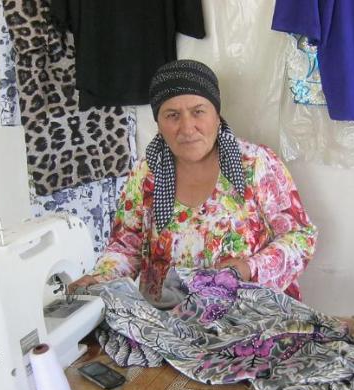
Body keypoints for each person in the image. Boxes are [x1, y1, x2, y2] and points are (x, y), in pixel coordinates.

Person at [70, 59, 317, 302]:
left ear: (217, 115)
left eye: (198, 112)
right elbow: (126, 247)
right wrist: (100, 278)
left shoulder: (255, 164)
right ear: (158, 123)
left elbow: (301, 238)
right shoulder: (146, 173)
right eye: (172, 115)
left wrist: (248, 269)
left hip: (250, 313)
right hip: (169, 315)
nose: (187, 128)